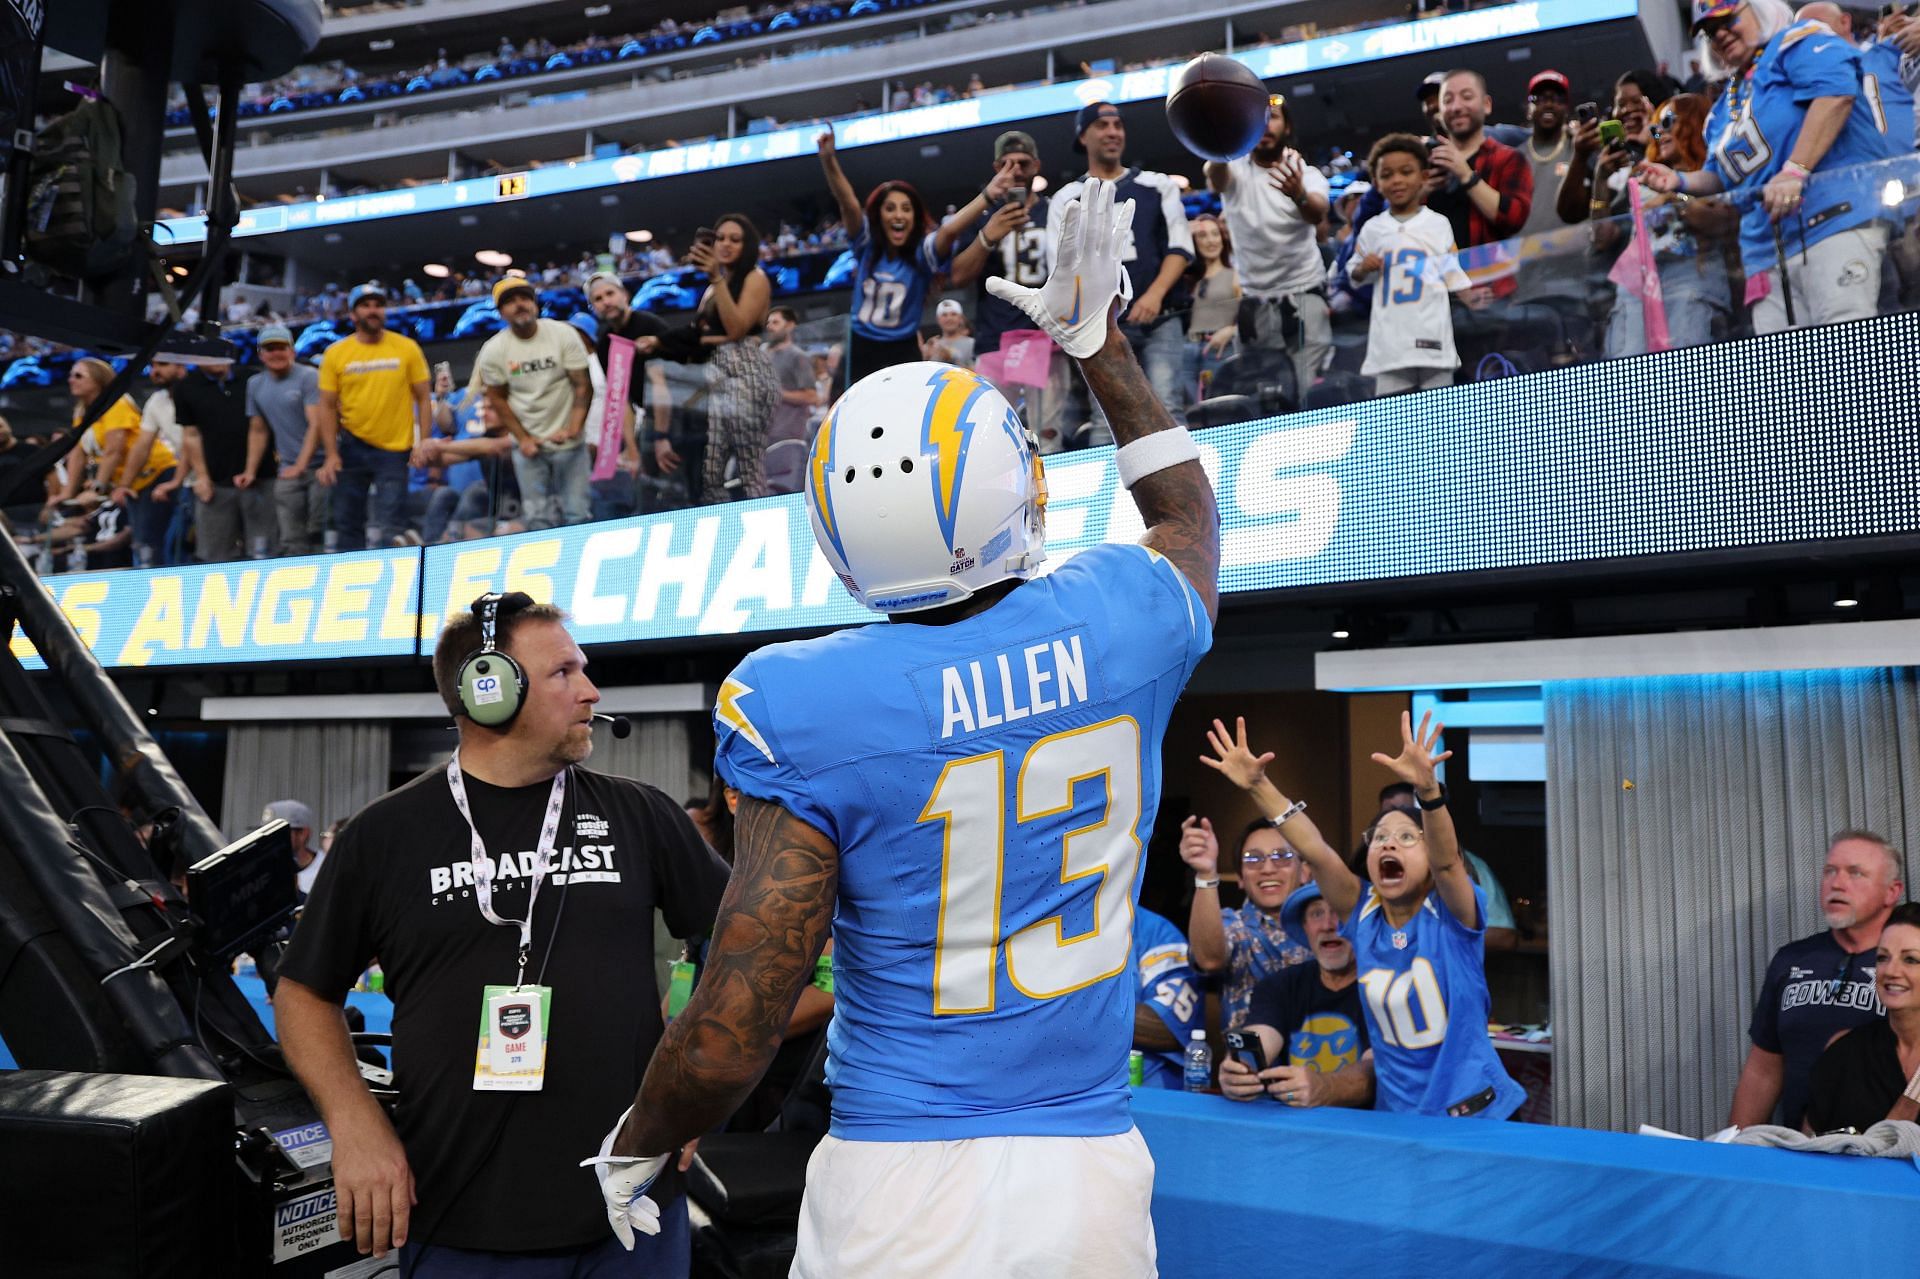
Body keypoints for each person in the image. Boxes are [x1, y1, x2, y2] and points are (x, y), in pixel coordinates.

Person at [590, 178, 1219, 1277]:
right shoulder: (1120, 617)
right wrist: (1097, 344)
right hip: (1089, 1178)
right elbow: (1187, 519)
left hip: (895, 1180)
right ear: (1015, 486)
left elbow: (737, 1021)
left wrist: (638, 1138)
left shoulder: (803, 699)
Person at [274, 592, 730, 1271]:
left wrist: (695, 1074)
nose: (591, 691)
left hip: (633, 1212)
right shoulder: (384, 836)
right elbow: (303, 994)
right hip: (460, 1219)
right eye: (564, 673)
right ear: (488, 689)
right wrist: (354, 1119)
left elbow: (743, 943)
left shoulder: (641, 814)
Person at [1200, 713, 1525, 1120]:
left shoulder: (1452, 919)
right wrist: (1259, 786)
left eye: (1407, 838)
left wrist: (1428, 790)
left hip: (1472, 1114)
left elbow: (1447, 866)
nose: (1390, 843)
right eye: (1381, 838)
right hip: (1397, 1116)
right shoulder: (1362, 913)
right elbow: (1315, 850)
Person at [1640, 1, 1896, 334]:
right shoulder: (1722, 108)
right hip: (1765, 251)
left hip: (1832, 220)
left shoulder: (1797, 40)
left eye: (1727, 19)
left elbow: (1836, 95)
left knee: (1844, 353)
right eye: (1708, 32)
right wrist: (1679, 180)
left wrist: (1795, 170)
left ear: (1759, 9)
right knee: (1785, 374)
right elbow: (1720, 176)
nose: (1719, 34)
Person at [1729, 829, 1906, 1130]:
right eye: (1830, 871)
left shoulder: (1908, 967)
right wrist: (1733, 1152)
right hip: (1802, 1149)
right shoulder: (1792, 959)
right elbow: (1765, 1068)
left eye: (1856, 873)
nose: (1837, 883)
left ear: (1892, 891)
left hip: (1887, 1155)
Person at [1051, 102, 1194, 430]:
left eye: (1118, 125)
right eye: (1102, 125)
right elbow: (1061, 269)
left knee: (1168, 409)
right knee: (1107, 421)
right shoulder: (1066, 198)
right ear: (1082, 136)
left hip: (1160, 318)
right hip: (1100, 329)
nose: (1113, 132)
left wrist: (1154, 296)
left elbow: (1179, 248)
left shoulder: (1157, 185)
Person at [817, 132, 974, 383]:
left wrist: (988, 195)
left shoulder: (922, 253)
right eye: (889, 208)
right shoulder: (866, 246)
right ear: (878, 216)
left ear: (915, 217)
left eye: (906, 208)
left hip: (903, 348)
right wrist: (828, 160)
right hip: (860, 346)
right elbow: (848, 204)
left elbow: (950, 230)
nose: (898, 215)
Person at [947, 130, 1069, 450]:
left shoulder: (1054, 212)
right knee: (991, 441)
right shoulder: (984, 216)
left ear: (1037, 166)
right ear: (995, 167)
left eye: (1023, 163)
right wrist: (988, 236)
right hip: (995, 340)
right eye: (1007, 163)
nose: (1015, 171)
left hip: (1047, 340)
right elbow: (957, 276)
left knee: (1048, 438)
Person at [1202, 95, 1330, 401]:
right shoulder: (1234, 168)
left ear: (1287, 127)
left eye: (1273, 117)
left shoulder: (1303, 171)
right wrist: (1224, 135)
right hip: (1254, 298)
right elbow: (1215, 178)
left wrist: (1298, 194)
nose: (1266, 126)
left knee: (1303, 392)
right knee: (1257, 392)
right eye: (1257, 119)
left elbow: (1318, 213)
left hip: (1303, 292)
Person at [1602, 93, 1738, 357]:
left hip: (1692, 277)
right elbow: (1601, 235)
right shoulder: (1646, 175)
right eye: (1654, 128)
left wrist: (1674, 198)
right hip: (1638, 283)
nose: (1659, 133)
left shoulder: (1716, 173)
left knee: (1685, 380)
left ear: (1693, 122)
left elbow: (1724, 223)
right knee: (1627, 382)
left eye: (1668, 122)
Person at [1219, 883, 1374, 1109]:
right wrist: (1238, 1069)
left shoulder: (1383, 989)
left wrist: (1326, 1086)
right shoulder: (1280, 985)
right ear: (1305, 927)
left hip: (1367, 1133)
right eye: (1317, 914)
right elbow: (1260, 1036)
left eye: (1340, 913)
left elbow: (1374, 1072)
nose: (1328, 926)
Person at [656, 214, 777, 502]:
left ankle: (762, 518)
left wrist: (715, 277)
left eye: (735, 240)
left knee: (748, 465)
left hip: (745, 379)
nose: (725, 244)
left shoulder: (754, 277)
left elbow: (736, 329)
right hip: (712, 381)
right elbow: (698, 333)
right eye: (720, 238)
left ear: (748, 246)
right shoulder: (714, 288)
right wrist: (660, 342)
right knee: (710, 472)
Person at [1348, 133, 1476, 395]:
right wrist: (1364, 267)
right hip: (1390, 346)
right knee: (1393, 421)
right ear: (1376, 182)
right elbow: (1352, 274)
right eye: (1387, 175)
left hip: (1432, 337)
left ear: (1424, 176)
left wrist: (1472, 295)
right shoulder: (1373, 229)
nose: (1397, 180)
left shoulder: (1438, 224)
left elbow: (1453, 273)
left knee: (1442, 415)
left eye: (1406, 172)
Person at [317, 282, 432, 550]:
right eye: (366, 305)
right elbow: (326, 406)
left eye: (378, 305)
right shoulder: (336, 353)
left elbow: (424, 397)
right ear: (353, 314)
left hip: (394, 447)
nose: (373, 310)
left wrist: (423, 441)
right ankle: (351, 576)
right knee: (347, 519)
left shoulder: (406, 348)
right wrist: (332, 453)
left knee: (392, 520)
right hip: (351, 444)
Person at [475, 277, 593, 531]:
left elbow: (583, 384)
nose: (519, 305)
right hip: (528, 447)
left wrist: (574, 428)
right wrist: (523, 438)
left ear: (535, 303)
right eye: (510, 302)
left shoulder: (562, 333)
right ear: (501, 312)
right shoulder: (493, 350)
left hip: (570, 444)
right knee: (539, 521)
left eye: (525, 298)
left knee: (578, 515)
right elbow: (496, 397)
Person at [1178, 814, 1311, 1029]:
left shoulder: (1327, 925)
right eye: (1253, 859)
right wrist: (1205, 873)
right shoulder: (1235, 926)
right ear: (1240, 877)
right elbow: (1209, 959)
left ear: (1305, 871)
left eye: (1282, 856)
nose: (1268, 868)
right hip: (1250, 1061)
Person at [1803, 901, 1920, 1134]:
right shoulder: (1845, 1052)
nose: (1891, 971)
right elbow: (1809, 1150)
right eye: (1882, 958)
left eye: (1911, 960)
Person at [51, 358, 178, 568]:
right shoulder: (83, 411)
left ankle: (161, 588)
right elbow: (78, 453)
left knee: (148, 540)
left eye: (79, 375)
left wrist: (99, 486)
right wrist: (67, 492)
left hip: (156, 473)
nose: (71, 379)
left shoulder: (116, 402)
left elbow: (114, 450)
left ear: (98, 381)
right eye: (71, 375)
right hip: (130, 482)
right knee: (141, 540)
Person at [1377, 782, 1519, 952]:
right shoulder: (1374, 871)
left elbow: (1505, 937)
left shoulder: (1468, 866)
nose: (1395, 821)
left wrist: (1430, 942)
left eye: (1405, 812)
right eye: (1386, 815)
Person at [175, 358, 276, 562]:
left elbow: (261, 427)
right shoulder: (186, 387)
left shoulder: (253, 379)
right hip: (215, 483)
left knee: (265, 553)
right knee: (213, 557)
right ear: (198, 358)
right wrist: (202, 477)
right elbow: (191, 435)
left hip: (261, 479)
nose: (217, 361)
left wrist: (251, 470)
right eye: (210, 356)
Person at [586, 273, 678, 491]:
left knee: (677, 489)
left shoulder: (650, 325)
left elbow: (661, 385)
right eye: (598, 299)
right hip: (650, 417)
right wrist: (632, 449)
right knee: (646, 490)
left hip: (681, 414)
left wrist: (662, 436)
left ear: (624, 295)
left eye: (610, 293)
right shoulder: (605, 342)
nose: (606, 302)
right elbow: (622, 398)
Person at [246, 324, 328, 555]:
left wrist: (300, 466)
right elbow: (258, 430)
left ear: (292, 350)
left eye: (281, 347)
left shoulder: (310, 376)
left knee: (320, 532)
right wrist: (250, 471)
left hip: (322, 465)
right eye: (269, 348)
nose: (276, 353)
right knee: (292, 538)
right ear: (261, 354)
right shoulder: (255, 384)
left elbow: (317, 424)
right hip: (288, 469)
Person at [1131, 906, 1206, 1089]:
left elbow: (1169, 1027)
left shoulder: (1151, 928)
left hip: (1142, 1089)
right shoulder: (1050, 921)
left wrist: (1069, 1006)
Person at [762, 306, 821, 495]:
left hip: (787, 438)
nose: (770, 326)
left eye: (776, 322)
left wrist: (779, 393)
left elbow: (812, 396)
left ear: (790, 326)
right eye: (769, 322)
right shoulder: (762, 355)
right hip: (760, 438)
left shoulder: (798, 357)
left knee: (784, 494)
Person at [1181, 214, 1240, 402]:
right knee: (1186, 408)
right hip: (1186, 349)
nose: (1210, 241)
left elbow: (1252, 317)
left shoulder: (1235, 276)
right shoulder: (1186, 279)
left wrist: (1231, 330)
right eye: (1203, 236)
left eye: (1215, 234)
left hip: (1219, 348)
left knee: (1218, 404)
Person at [262, 798, 325, 895]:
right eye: (264, 833)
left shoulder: (326, 869)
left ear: (302, 834)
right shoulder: (260, 873)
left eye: (276, 833)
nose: (267, 839)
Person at [924, 299, 975, 368]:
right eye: (944, 315)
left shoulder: (972, 343)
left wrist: (950, 357)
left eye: (953, 314)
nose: (949, 318)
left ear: (960, 318)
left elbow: (978, 373)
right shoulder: (932, 346)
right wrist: (925, 358)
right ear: (938, 319)